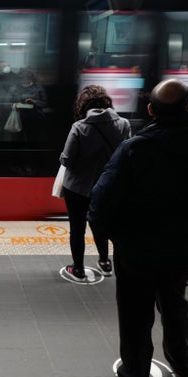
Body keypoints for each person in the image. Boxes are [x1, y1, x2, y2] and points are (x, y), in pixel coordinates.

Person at [88, 79, 188, 377]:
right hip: (183, 246)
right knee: (174, 298)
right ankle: (182, 361)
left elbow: (101, 202)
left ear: (150, 110)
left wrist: (115, 236)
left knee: (134, 311)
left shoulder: (134, 148)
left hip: (135, 248)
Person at [59, 85, 130, 281]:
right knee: (102, 223)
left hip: (78, 188)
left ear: (82, 105)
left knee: (78, 227)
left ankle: (79, 268)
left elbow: (67, 160)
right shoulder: (123, 124)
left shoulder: (79, 127)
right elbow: (127, 154)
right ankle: (105, 262)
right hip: (109, 186)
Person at [6, 68, 49, 140]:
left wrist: (35, 102)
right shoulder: (14, 88)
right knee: (18, 139)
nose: (25, 82)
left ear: (31, 79)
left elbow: (45, 103)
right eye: (23, 81)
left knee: (33, 138)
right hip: (18, 117)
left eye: (27, 81)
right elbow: (6, 103)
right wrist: (14, 105)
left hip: (35, 117)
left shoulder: (38, 88)